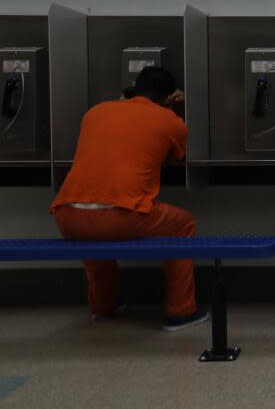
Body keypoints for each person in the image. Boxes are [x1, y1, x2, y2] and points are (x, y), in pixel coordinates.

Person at [50, 67, 207, 332]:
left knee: (94, 234)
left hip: (68, 215)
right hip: (119, 217)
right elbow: (177, 156)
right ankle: (181, 311)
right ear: (169, 98)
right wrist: (177, 107)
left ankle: (104, 305)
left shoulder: (94, 112)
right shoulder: (168, 120)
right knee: (183, 225)